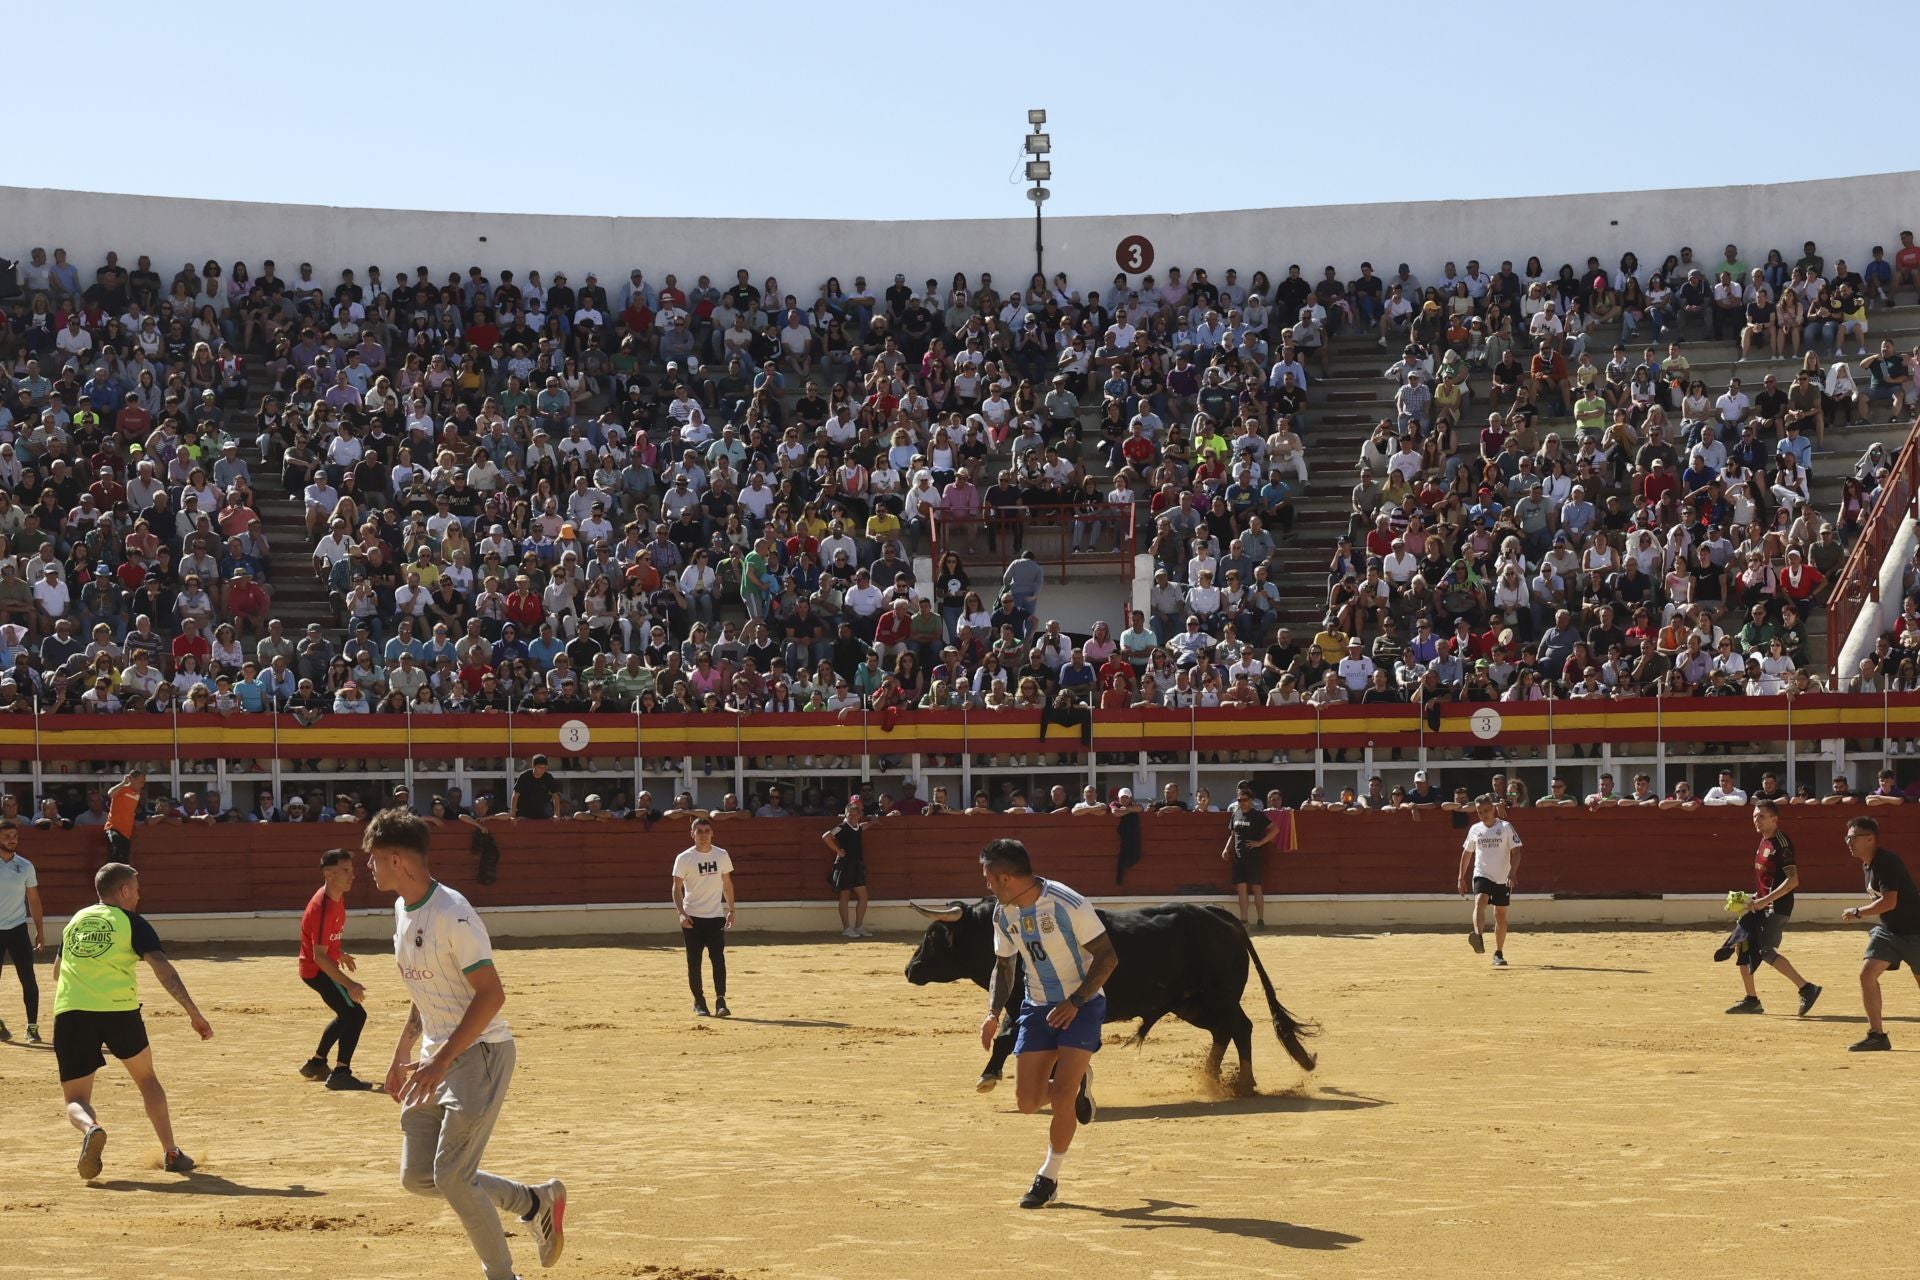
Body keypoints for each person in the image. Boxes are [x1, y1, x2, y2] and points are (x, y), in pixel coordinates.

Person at [366, 809, 567, 1277]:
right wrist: (402, 1053)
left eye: (373, 859)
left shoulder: (453, 915)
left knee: (453, 1176)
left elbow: (492, 994)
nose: (367, 869)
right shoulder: (402, 909)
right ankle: (534, 1201)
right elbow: (425, 990)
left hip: (480, 1053)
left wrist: (442, 1060)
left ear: (397, 860)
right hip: (435, 1055)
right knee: (418, 1177)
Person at [977, 838, 1118, 1209]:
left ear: (1006, 877)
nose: (986, 885)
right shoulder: (1002, 913)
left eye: (989, 878)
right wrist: (993, 1013)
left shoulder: (1067, 902)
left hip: (1083, 1004)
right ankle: (1078, 1083)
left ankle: (1048, 1177)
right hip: (1037, 1006)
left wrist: (1076, 1001)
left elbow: (1107, 957)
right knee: (1027, 1103)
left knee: (1062, 1096)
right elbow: (1004, 965)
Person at [52, 861, 212, 1180]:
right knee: (147, 1079)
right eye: (136, 890)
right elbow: (163, 970)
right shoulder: (131, 922)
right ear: (124, 890)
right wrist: (193, 1012)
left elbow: (57, 972)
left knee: (76, 1099)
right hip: (118, 1011)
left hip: (71, 1012)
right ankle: (171, 1151)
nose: (139, 897)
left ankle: (91, 1128)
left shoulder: (76, 921)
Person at [1725, 800, 1822, 1017]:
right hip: (1762, 903)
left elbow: (1793, 881)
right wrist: (1751, 899)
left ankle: (1807, 988)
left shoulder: (1781, 843)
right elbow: (1767, 879)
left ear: (1774, 819)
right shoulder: (1764, 841)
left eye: (1761, 816)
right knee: (1743, 944)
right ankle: (1751, 1000)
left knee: (1766, 951)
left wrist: (1763, 901)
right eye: (1754, 816)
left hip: (1777, 906)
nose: (1756, 820)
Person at [296, 848, 374, 1089]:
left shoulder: (335, 897)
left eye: (351, 870)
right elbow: (319, 956)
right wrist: (349, 984)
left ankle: (317, 1063)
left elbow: (322, 942)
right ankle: (341, 1073)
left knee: (346, 1015)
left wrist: (339, 953)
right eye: (346, 870)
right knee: (356, 1015)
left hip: (319, 966)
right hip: (318, 971)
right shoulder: (323, 906)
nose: (353, 875)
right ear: (329, 874)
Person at [1841, 815, 1920, 1051]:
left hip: (1915, 932)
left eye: (1853, 837)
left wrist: (1858, 912)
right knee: (1867, 975)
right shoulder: (1869, 864)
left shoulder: (1886, 862)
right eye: (1848, 837)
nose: (1849, 842)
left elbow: (1889, 902)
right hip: (1889, 931)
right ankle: (1877, 1035)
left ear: (1870, 839)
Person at [671, 815, 736, 1017]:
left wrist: (731, 910)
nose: (704, 835)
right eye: (699, 831)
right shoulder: (684, 858)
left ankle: (720, 1001)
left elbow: (727, 883)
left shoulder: (721, 855)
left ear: (712, 833)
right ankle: (699, 1001)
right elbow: (677, 887)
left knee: (718, 959)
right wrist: (681, 913)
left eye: (707, 831)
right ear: (692, 834)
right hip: (692, 917)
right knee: (694, 961)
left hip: (715, 915)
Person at [1457, 794, 1522, 966]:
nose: (1483, 814)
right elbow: (1467, 853)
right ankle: (1478, 936)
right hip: (1482, 873)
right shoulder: (1475, 829)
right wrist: (1460, 877)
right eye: (1479, 812)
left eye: (1486, 810)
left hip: (1503, 877)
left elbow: (1516, 852)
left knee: (1500, 915)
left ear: (1493, 809)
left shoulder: (1506, 827)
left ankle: (1499, 953)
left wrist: (1512, 872)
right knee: (1480, 900)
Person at [0, 818, 46, 1043]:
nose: (12, 840)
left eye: (14, 836)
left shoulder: (25, 865)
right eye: (7, 836)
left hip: (17, 927)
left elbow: (34, 900)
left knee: (28, 978)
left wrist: (40, 929)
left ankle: (32, 1026)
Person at [1221, 782, 1276, 929]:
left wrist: (1260, 843)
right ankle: (1244, 920)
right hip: (1239, 857)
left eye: (1244, 800)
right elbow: (1233, 835)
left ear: (1251, 800)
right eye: (1239, 800)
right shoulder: (1235, 814)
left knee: (1256, 887)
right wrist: (1226, 849)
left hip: (1254, 857)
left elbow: (1275, 829)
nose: (1242, 803)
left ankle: (1260, 919)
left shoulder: (1257, 815)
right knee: (1242, 889)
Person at [823, 797, 874, 938]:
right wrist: (838, 851)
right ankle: (846, 928)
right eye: (849, 814)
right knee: (844, 895)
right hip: (844, 865)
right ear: (845, 814)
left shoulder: (857, 827)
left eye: (854, 814)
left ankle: (858, 926)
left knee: (863, 896)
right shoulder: (842, 827)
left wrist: (872, 822)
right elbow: (826, 836)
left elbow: (862, 827)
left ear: (858, 815)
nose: (852, 817)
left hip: (856, 864)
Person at [105, 770, 144, 862]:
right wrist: (123, 783)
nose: (142, 785)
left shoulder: (138, 793)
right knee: (117, 849)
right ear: (132, 779)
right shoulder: (122, 789)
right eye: (141, 782)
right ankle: (107, 873)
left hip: (126, 832)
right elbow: (110, 794)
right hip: (113, 827)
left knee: (124, 857)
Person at [511, 753, 557, 820]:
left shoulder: (548, 777)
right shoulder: (524, 776)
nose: (542, 770)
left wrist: (557, 814)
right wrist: (513, 815)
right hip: (525, 812)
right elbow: (515, 795)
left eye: (544, 768)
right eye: (539, 767)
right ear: (533, 766)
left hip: (542, 812)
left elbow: (555, 796)